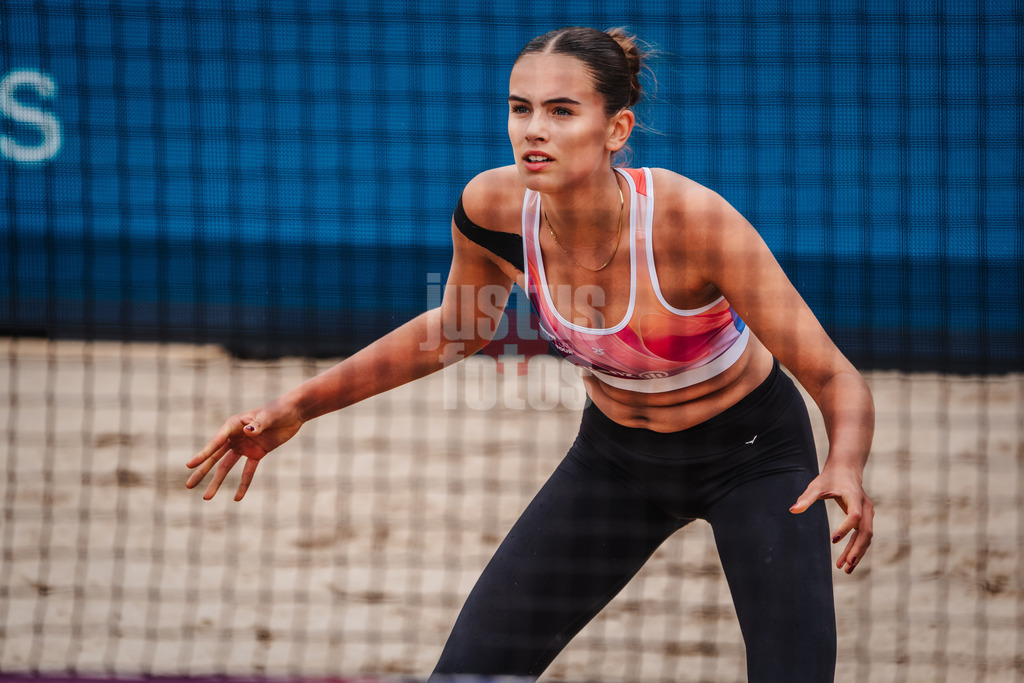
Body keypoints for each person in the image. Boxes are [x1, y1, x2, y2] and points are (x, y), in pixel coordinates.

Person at [186, 26, 874, 681]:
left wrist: (844, 462)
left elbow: (833, 376)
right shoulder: (491, 207)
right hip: (618, 463)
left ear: (616, 130)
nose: (533, 128)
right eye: (521, 108)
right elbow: (455, 331)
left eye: (562, 110)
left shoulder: (691, 223)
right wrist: (295, 404)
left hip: (754, 456)